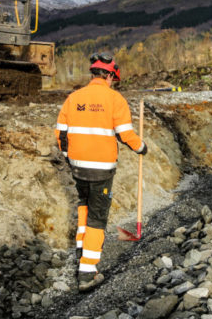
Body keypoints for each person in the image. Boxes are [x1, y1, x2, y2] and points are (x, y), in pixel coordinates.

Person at [54, 52, 147, 292]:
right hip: (101, 170)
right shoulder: (114, 99)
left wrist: (69, 157)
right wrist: (141, 147)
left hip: (77, 166)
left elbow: (61, 133)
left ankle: (80, 248)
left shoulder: (74, 98)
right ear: (109, 75)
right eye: (113, 78)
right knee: (97, 217)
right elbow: (125, 134)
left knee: (84, 203)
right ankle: (87, 271)